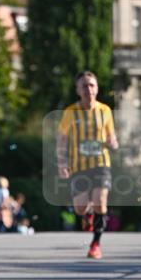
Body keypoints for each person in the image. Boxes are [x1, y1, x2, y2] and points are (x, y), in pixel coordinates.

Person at [57, 72, 119, 260]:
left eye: (92, 85)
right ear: (78, 91)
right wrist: (62, 163)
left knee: (100, 201)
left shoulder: (105, 111)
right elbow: (61, 140)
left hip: (101, 163)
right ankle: (87, 214)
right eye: (84, 86)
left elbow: (111, 136)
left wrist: (113, 143)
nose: (88, 89)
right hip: (78, 166)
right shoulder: (70, 113)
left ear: (97, 89)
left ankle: (95, 244)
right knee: (80, 208)